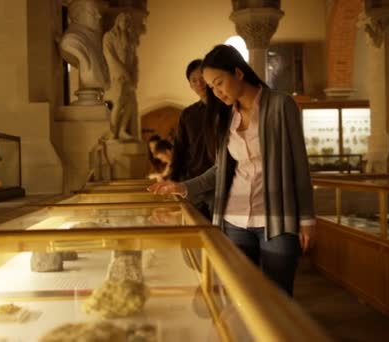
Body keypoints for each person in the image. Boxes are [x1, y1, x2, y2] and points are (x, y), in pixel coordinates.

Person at [148, 45, 316, 296]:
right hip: (233, 220)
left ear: (238, 73)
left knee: (279, 298)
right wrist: (183, 186)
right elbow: (221, 170)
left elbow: (299, 164)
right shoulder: (226, 116)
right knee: (239, 296)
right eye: (211, 87)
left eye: (219, 83)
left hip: (276, 218)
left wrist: (307, 219)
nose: (216, 93)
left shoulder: (281, 105)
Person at [170, 59, 215, 218]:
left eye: (202, 78)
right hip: (192, 181)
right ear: (190, 85)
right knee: (194, 229)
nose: (199, 83)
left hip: (218, 181)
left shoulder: (226, 110)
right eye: (194, 80)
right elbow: (180, 148)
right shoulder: (188, 114)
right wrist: (173, 180)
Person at [103, 12, 139, 140]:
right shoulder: (110, 36)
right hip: (118, 74)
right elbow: (110, 56)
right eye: (123, 20)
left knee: (130, 103)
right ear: (117, 21)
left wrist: (134, 74)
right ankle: (113, 131)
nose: (125, 23)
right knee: (118, 101)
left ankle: (123, 129)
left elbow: (134, 58)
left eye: (127, 21)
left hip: (129, 73)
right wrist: (122, 71)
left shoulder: (130, 38)